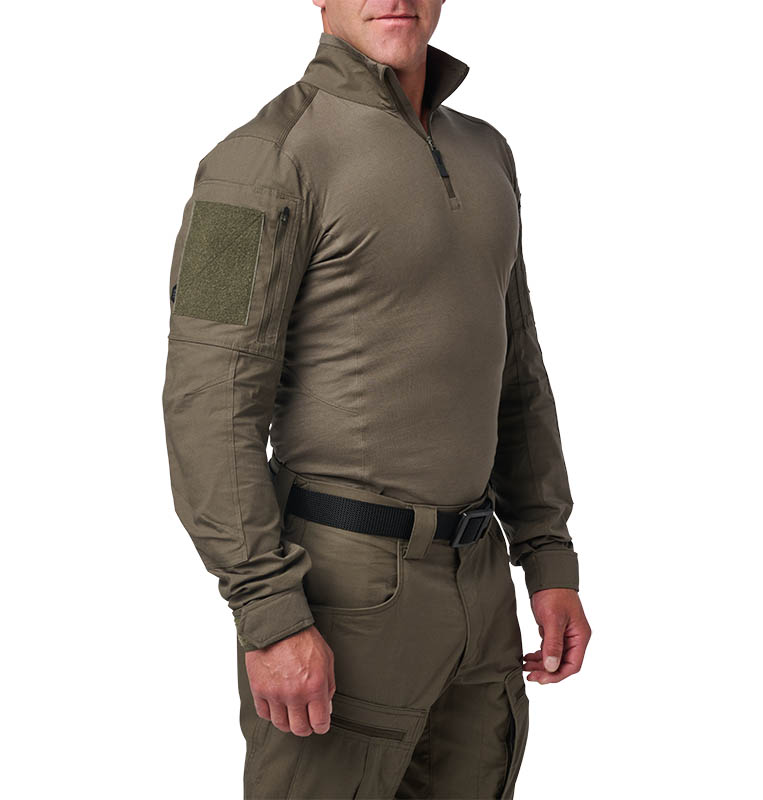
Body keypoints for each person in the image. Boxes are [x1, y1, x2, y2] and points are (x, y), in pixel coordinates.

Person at [162, 1, 591, 797]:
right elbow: (207, 406)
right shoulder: (256, 162)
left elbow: (515, 369)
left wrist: (546, 554)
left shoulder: (484, 151)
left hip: (479, 591)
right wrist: (269, 612)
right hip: (339, 591)